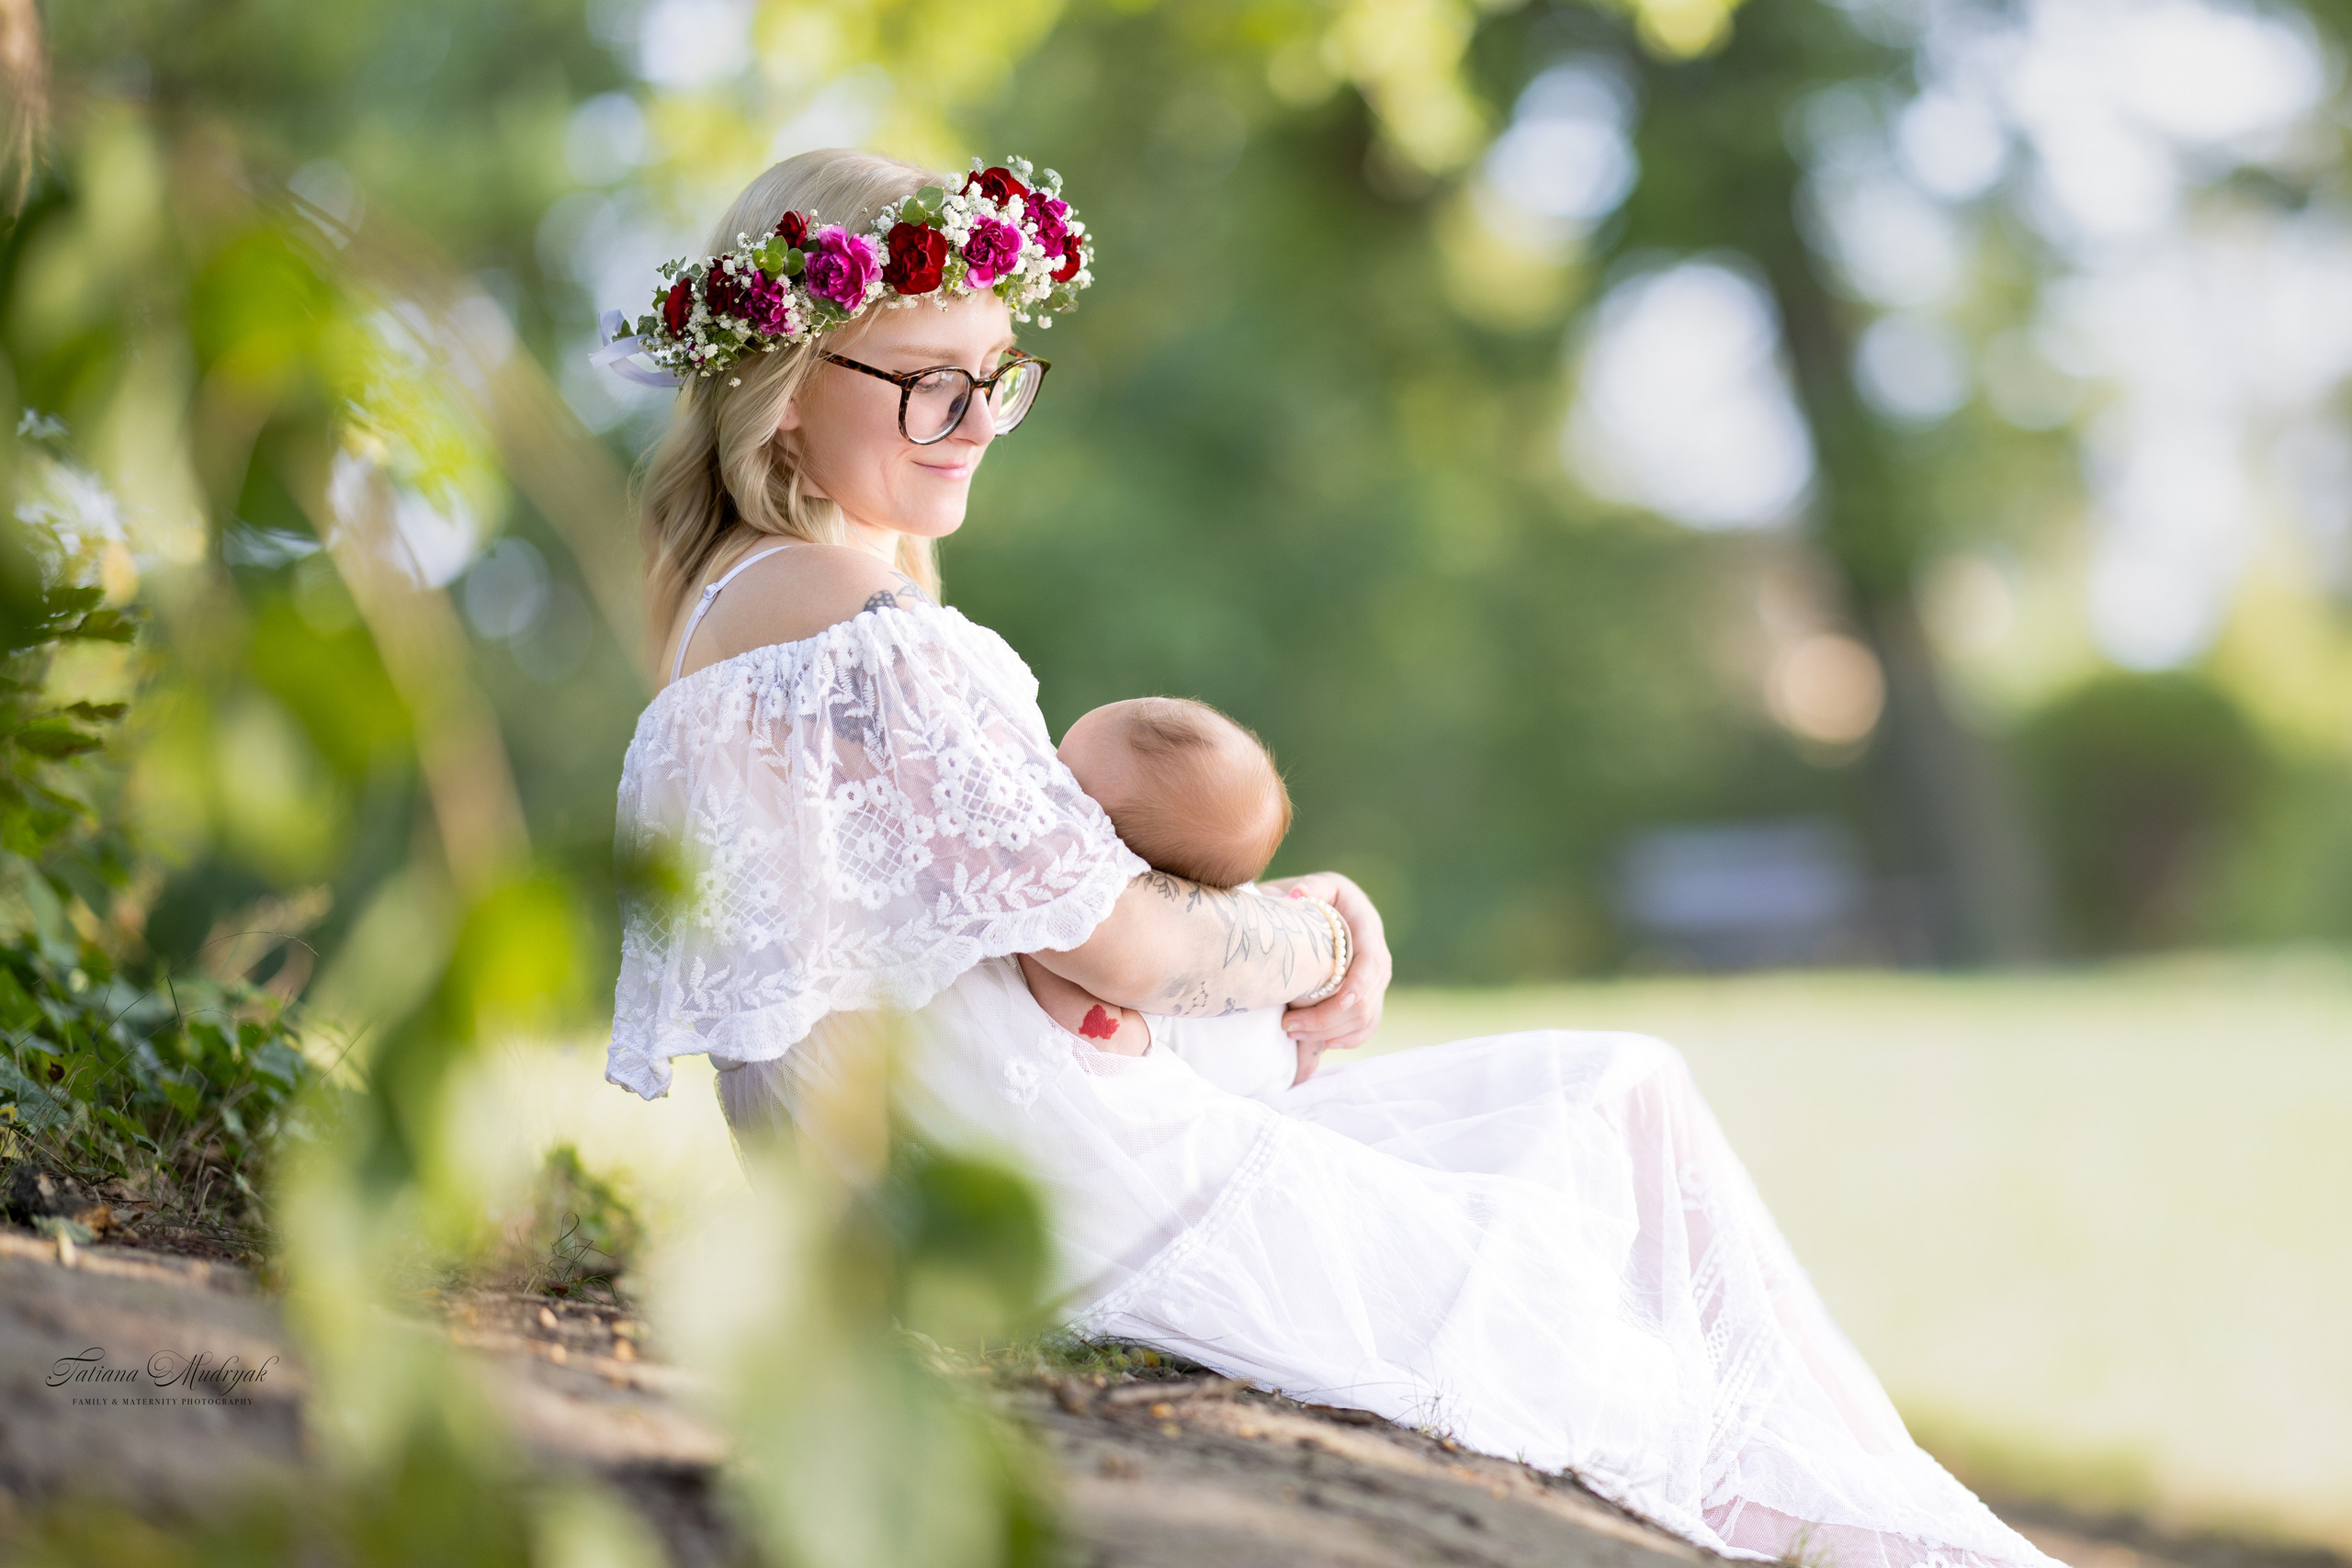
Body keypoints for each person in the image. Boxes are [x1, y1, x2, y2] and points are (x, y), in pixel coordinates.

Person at [602, 147, 2064, 1568]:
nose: (977, 416)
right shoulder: (853, 623)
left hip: (979, 1180)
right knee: (1615, 1127)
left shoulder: (738, 618)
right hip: (1070, 1200)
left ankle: (1890, 1525)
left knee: (1610, 1112)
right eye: (932, 381)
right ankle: (1903, 1540)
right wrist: (1320, 936)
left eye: (995, 379)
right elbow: (1108, 937)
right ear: (786, 396)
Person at [1016, 695, 1325, 1100]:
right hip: (1282, 1076)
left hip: (1211, 1123)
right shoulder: (1246, 905)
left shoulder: (1142, 951)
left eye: (1064, 786)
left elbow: (1103, 1040)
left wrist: (1028, 931)